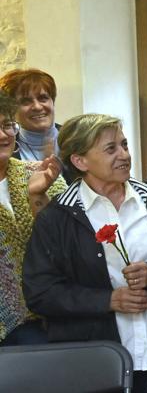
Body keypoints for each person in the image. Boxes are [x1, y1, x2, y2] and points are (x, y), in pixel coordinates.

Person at [22, 114, 147, 393]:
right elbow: (40, 292)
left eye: (125, 144)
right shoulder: (58, 216)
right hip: (92, 364)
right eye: (111, 149)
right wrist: (108, 300)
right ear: (80, 161)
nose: (124, 155)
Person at [0, 93, 67, 346]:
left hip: (54, 317)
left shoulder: (39, 173)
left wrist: (37, 196)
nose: (4, 135)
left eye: (7, 125)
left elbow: (65, 244)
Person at [0, 68, 73, 183]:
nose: (37, 107)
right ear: (12, 110)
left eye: (43, 98)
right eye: (26, 101)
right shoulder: (5, 146)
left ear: (52, 101)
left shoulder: (77, 138)